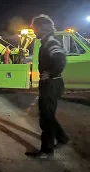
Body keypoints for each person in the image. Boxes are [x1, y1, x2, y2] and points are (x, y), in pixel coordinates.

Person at [26, 14, 69, 159]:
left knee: (46, 118)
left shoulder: (50, 41)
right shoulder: (47, 40)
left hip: (51, 84)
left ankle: (47, 151)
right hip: (52, 83)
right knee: (48, 115)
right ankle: (62, 138)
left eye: (34, 29)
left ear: (41, 28)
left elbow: (61, 60)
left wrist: (50, 73)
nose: (34, 32)